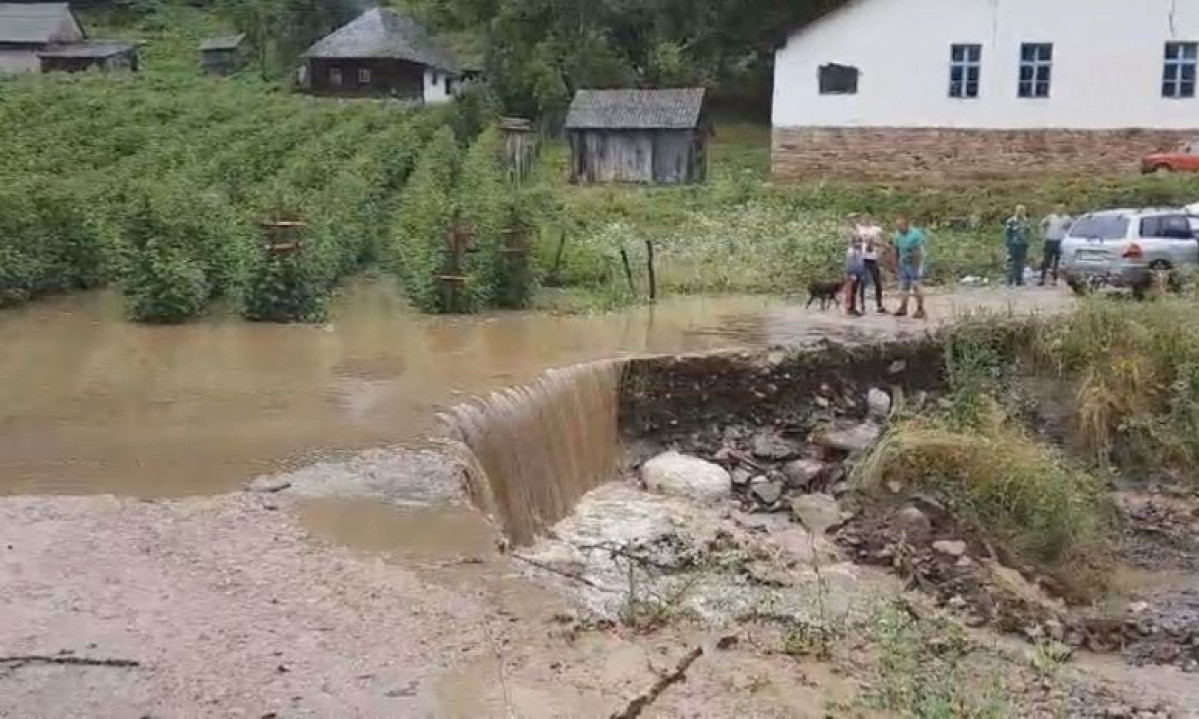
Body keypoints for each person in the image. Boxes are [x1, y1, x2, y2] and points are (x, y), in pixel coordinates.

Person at [892, 216, 927, 319]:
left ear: (907, 225)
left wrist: (915, 269)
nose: (899, 228)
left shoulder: (915, 235)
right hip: (904, 262)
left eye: (900, 226)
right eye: (897, 226)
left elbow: (918, 253)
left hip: (915, 262)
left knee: (916, 285)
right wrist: (896, 264)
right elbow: (896, 250)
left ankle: (920, 309)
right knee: (904, 286)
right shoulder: (897, 235)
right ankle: (903, 307)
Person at [851, 214, 887, 313]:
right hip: (861, 257)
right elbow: (850, 221)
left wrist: (878, 247)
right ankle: (860, 305)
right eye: (864, 218)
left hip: (872, 257)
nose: (866, 220)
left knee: (877, 281)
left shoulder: (876, 229)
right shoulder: (859, 228)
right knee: (860, 282)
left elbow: (882, 241)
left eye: (868, 218)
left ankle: (879, 304)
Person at [1039, 204, 1073, 286]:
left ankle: (1054, 279)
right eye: (1058, 209)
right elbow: (1042, 224)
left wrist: (1068, 230)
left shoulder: (1067, 219)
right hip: (1050, 240)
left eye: (1062, 209)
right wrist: (1043, 234)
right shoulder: (1050, 217)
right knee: (1046, 260)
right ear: (1055, 209)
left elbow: (1072, 227)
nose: (1060, 210)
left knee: (1057, 261)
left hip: (1060, 241)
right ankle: (1042, 279)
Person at [1004, 204, 1032, 287]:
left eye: (1022, 211)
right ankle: (1009, 280)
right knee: (1011, 262)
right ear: (1016, 211)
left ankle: (1019, 280)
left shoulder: (1026, 221)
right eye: (1019, 211)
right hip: (1013, 244)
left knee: (1021, 262)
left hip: (1023, 244)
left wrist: (1027, 242)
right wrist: (1008, 244)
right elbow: (1007, 233)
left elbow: (1028, 232)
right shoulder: (1011, 221)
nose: (1021, 212)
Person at [845, 233, 867, 317]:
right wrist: (851, 274)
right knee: (850, 292)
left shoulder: (860, 251)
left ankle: (853, 308)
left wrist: (862, 274)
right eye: (856, 242)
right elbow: (849, 264)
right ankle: (849, 309)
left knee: (854, 292)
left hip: (859, 273)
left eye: (860, 242)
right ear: (853, 242)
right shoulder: (851, 251)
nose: (858, 243)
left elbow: (861, 263)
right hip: (852, 274)